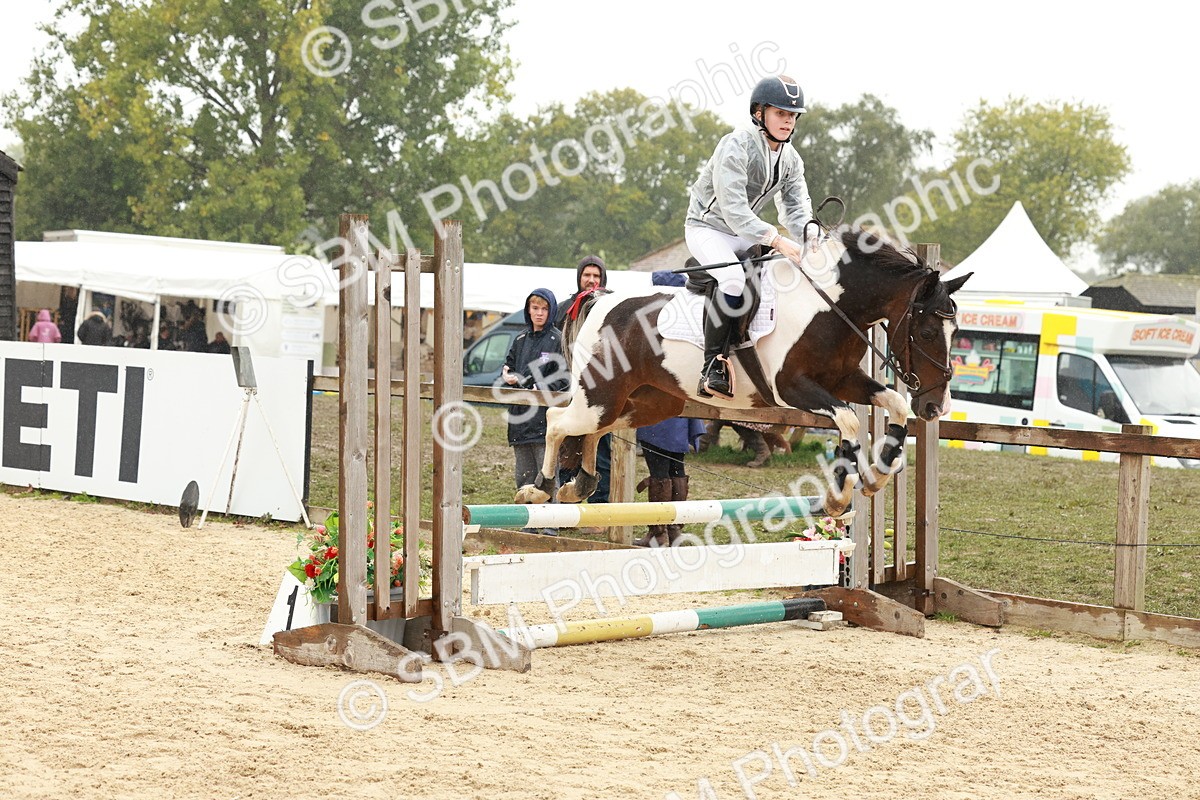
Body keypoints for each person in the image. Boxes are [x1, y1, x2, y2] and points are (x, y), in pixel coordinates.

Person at [685, 74, 814, 400]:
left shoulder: (791, 159)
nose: (788, 121)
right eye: (780, 113)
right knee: (731, 280)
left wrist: (812, 244)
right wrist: (777, 240)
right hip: (708, 228)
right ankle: (712, 365)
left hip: (745, 234)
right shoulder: (736, 145)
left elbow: (797, 212)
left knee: (784, 276)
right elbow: (733, 209)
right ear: (760, 113)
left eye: (792, 115)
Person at [502, 288, 568, 535]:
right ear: (528, 310)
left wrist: (539, 388)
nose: (539, 313)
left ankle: (550, 526)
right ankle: (529, 523)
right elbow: (507, 366)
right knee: (524, 476)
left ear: (551, 311)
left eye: (544, 309)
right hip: (520, 420)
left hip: (546, 422)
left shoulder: (558, 340)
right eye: (535, 308)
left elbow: (565, 379)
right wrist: (507, 376)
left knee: (548, 475)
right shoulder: (519, 339)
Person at [556, 254, 612, 507]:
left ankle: (599, 508)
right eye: (586, 275)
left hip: (602, 390)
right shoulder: (565, 308)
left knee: (601, 451)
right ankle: (569, 506)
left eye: (596, 276)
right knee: (569, 447)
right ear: (579, 277)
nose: (591, 280)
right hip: (571, 387)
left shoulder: (612, 306)